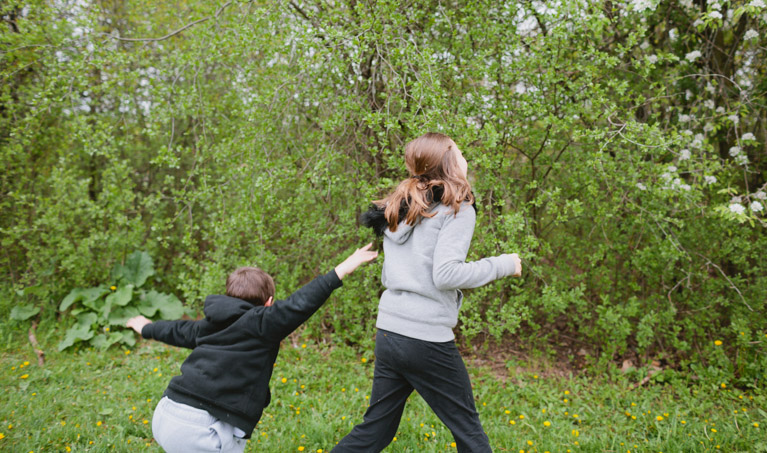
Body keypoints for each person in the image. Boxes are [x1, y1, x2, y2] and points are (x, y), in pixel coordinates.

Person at [332, 133, 522, 452]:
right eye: (459, 150)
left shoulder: (403, 207)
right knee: (470, 435)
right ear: (449, 160)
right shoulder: (456, 209)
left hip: (390, 331)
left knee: (374, 432)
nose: (464, 155)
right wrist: (504, 264)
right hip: (424, 338)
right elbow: (446, 274)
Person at [126, 243, 378, 453]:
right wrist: (343, 268)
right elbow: (300, 303)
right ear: (269, 303)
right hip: (201, 429)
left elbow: (175, 330)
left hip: (166, 414)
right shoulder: (263, 322)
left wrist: (146, 327)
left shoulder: (208, 325)